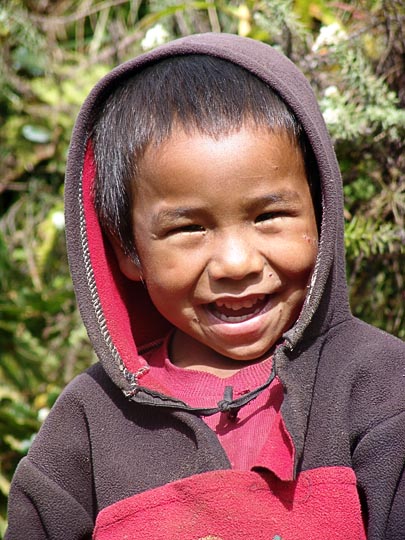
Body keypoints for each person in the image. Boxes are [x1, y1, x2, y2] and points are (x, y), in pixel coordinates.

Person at [6, 33, 404, 540]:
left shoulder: (381, 389)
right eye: (189, 228)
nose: (235, 263)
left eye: (269, 216)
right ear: (128, 250)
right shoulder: (86, 426)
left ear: (321, 214)